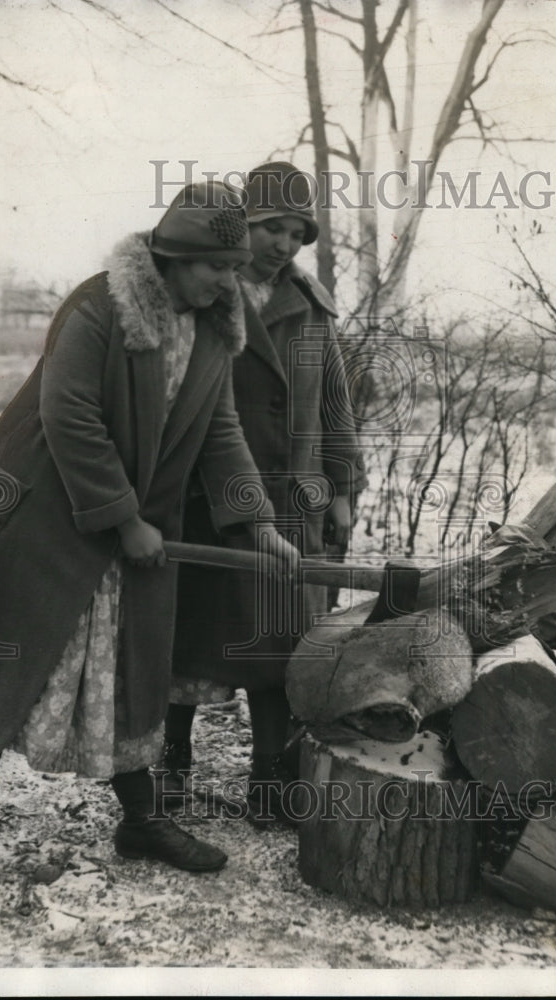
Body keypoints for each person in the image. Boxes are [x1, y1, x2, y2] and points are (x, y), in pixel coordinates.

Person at [0, 180, 298, 893]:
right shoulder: (101, 306)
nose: (230, 278)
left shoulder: (217, 328)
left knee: (128, 665)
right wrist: (122, 519)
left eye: (233, 265)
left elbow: (221, 431)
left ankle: (139, 819)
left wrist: (258, 520)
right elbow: (70, 417)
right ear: (176, 256)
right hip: (38, 507)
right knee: (3, 661)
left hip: (137, 523)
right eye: (217, 265)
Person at [167, 162, 365, 824]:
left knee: (283, 646)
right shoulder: (205, 297)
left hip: (294, 501)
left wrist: (340, 488)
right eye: (270, 228)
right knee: (192, 638)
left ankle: (272, 778)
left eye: (296, 233)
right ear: (242, 226)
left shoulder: (310, 308)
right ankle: (170, 766)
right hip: (209, 501)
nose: (283, 244)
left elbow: (335, 405)